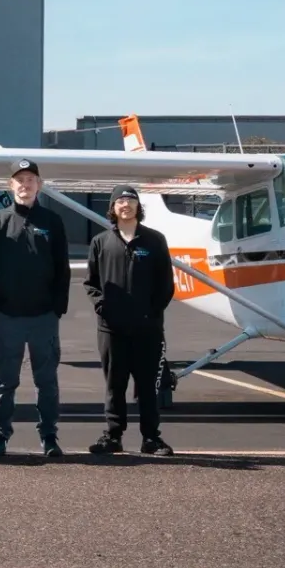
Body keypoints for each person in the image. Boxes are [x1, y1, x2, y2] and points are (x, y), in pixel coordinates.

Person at [0, 158, 72, 459]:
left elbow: (63, 268)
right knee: (5, 381)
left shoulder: (52, 221)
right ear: (11, 186)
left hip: (43, 316)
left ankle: (49, 436)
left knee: (46, 380)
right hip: (7, 316)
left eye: (30, 179)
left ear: (39, 185)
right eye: (19, 180)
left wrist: (57, 307)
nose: (25, 185)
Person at [85, 186, 176, 456]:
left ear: (138, 207)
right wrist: (103, 307)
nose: (126, 204)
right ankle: (113, 436)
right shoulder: (100, 242)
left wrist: (152, 313)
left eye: (131, 200)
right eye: (120, 201)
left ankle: (151, 438)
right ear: (112, 208)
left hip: (147, 328)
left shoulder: (155, 240)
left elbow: (166, 284)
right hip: (111, 329)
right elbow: (91, 284)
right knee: (115, 384)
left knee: (147, 385)